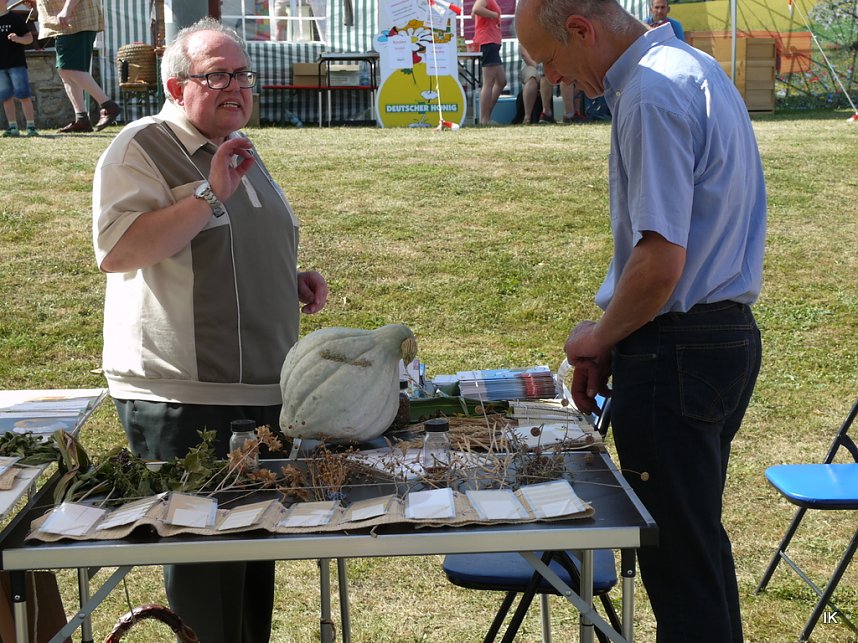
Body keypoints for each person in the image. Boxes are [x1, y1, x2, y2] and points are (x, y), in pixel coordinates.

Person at [515, 0, 766, 641]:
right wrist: (615, 338)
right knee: (694, 544)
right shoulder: (692, 66)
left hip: (677, 349)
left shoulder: (650, 93)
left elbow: (660, 261)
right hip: (716, 339)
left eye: (549, 61)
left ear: (581, 30)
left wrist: (600, 336)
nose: (554, 79)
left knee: (680, 564)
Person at [92, 18, 328, 643]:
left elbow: (219, 247)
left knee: (250, 571)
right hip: (186, 399)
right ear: (175, 86)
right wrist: (207, 193)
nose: (236, 86)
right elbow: (119, 250)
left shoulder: (238, 144)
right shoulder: (141, 147)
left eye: (242, 74)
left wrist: (285, 278)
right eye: (217, 75)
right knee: (206, 578)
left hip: (260, 396)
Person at [25, 0, 120, 132]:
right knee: (65, 73)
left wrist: (67, 9)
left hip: (74, 22)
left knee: (69, 68)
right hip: (68, 24)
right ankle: (81, 119)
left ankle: (108, 106)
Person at [1, 0, 39, 136]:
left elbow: (29, 39)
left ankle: (31, 127)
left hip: (17, 64)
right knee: (6, 97)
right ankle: (13, 128)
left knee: (24, 95)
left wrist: (18, 38)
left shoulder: (16, 18)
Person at [472, 0, 507, 125]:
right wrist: (494, 15)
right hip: (488, 41)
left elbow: (473, 14)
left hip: (492, 42)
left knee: (501, 81)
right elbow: (476, 9)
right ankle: (484, 119)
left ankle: (486, 115)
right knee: (488, 82)